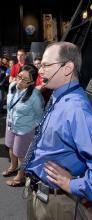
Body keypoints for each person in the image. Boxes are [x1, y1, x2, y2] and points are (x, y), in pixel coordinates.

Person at [23, 42, 92, 220]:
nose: (40, 70)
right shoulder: (58, 96)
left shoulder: (77, 109)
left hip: (58, 205)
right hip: (41, 196)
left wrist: (74, 185)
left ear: (67, 68)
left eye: (46, 65)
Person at [2, 64, 44, 187]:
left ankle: (21, 177)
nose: (20, 81)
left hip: (24, 130)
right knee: (10, 147)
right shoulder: (12, 86)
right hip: (10, 125)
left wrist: (30, 127)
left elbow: (39, 116)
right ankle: (13, 167)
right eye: (19, 76)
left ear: (32, 82)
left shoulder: (35, 95)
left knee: (21, 154)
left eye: (25, 79)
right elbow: (10, 107)